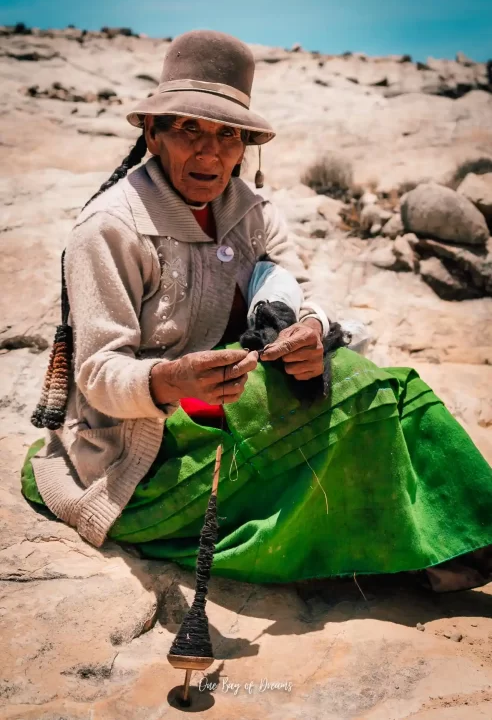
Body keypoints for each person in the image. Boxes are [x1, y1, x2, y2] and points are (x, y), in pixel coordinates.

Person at [22, 30, 492, 593]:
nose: (209, 152)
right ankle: (421, 552)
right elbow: (98, 374)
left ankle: (465, 537)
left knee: (391, 390)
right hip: (139, 456)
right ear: (152, 133)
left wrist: (312, 326)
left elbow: (309, 284)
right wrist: (171, 377)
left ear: (246, 145)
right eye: (188, 128)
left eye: (227, 134)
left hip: (224, 412)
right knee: (361, 389)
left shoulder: (251, 211)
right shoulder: (111, 229)